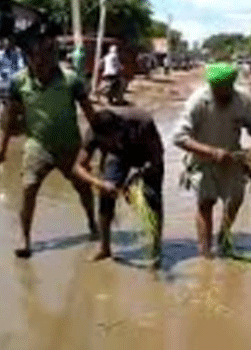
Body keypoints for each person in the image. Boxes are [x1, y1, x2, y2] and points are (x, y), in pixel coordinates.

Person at [0, 21, 97, 259]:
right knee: (28, 189)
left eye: (51, 54)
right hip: (38, 145)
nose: (47, 60)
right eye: (41, 55)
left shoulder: (71, 80)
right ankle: (25, 237)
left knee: (84, 189)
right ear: (31, 58)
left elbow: (93, 118)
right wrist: (2, 149)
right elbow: (10, 122)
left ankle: (93, 224)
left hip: (70, 146)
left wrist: (97, 147)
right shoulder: (18, 83)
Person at [173, 63, 251, 259]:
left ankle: (224, 236)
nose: (219, 94)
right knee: (206, 203)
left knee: (235, 199)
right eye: (216, 90)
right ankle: (205, 252)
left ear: (231, 86)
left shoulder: (242, 100)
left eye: (224, 90)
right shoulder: (198, 102)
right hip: (203, 160)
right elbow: (179, 137)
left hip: (232, 159)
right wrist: (212, 152)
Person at [73, 109, 164, 262]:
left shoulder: (143, 122)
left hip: (146, 155)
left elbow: (157, 157)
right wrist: (100, 184)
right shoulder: (94, 132)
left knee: (153, 199)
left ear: (119, 127)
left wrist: (134, 179)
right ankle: (105, 248)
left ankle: (156, 246)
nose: (109, 142)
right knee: (105, 197)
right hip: (118, 156)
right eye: (106, 141)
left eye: (111, 138)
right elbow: (78, 167)